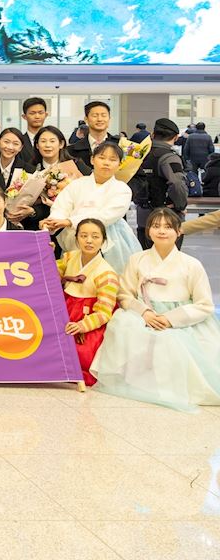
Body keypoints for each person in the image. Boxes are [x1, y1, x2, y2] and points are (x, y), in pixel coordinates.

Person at [90, 208, 220, 410]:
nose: (161, 231)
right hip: (144, 312)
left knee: (175, 341)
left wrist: (170, 319)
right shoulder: (137, 259)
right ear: (148, 231)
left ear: (178, 231)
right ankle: (136, 380)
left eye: (168, 227)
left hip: (180, 317)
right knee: (123, 325)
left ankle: (172, 386)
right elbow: (124, 294)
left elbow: (204, 304)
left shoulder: (191, 264)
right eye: (156, 226)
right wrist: (144, 312)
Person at [41, 142, 141, 270]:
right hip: (75, 237)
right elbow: (61, 207)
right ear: (92, 160)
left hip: (111, 237)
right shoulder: (77, 184)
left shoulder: (122, 189)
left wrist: (69, 221)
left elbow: (106, 216)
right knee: (74, 276)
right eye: (102, 157)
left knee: (109, 276)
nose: (106, 163)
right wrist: (53, 221)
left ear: (119, 164)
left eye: (112, 160)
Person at [57, 218, 120, 387]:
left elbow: (104, 312)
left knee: (81, 357)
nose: (89, 241)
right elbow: (50, 272)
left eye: (95, 236)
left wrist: (82, 326)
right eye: (84, 236)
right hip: (63, 312)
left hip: (87, 320)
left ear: (103, 240)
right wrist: (46, 251)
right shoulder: (69, 257)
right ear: (76, 238)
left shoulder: (107, 274)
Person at [131, 118, 188, 249]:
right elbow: (177, 183)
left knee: (146, 256)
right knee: (167, 258)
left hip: (143, 216)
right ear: (176, 137)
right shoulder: (170, 157)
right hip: (167, 219)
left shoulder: (139, 154)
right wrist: (180, 205)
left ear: (152, 134)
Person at [67, 101, 118, 168]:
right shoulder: (71, 151)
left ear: (109, 119)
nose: (99, 119)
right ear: (86, 119)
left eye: (103, 115)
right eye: (95, 116)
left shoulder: (121, 145)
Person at [19, 97, 49, 164]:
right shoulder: (19, 142)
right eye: (32, 113)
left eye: (40, 113)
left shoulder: (54, 141)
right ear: (24, 116)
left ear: (46, 115)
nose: (37, 116)